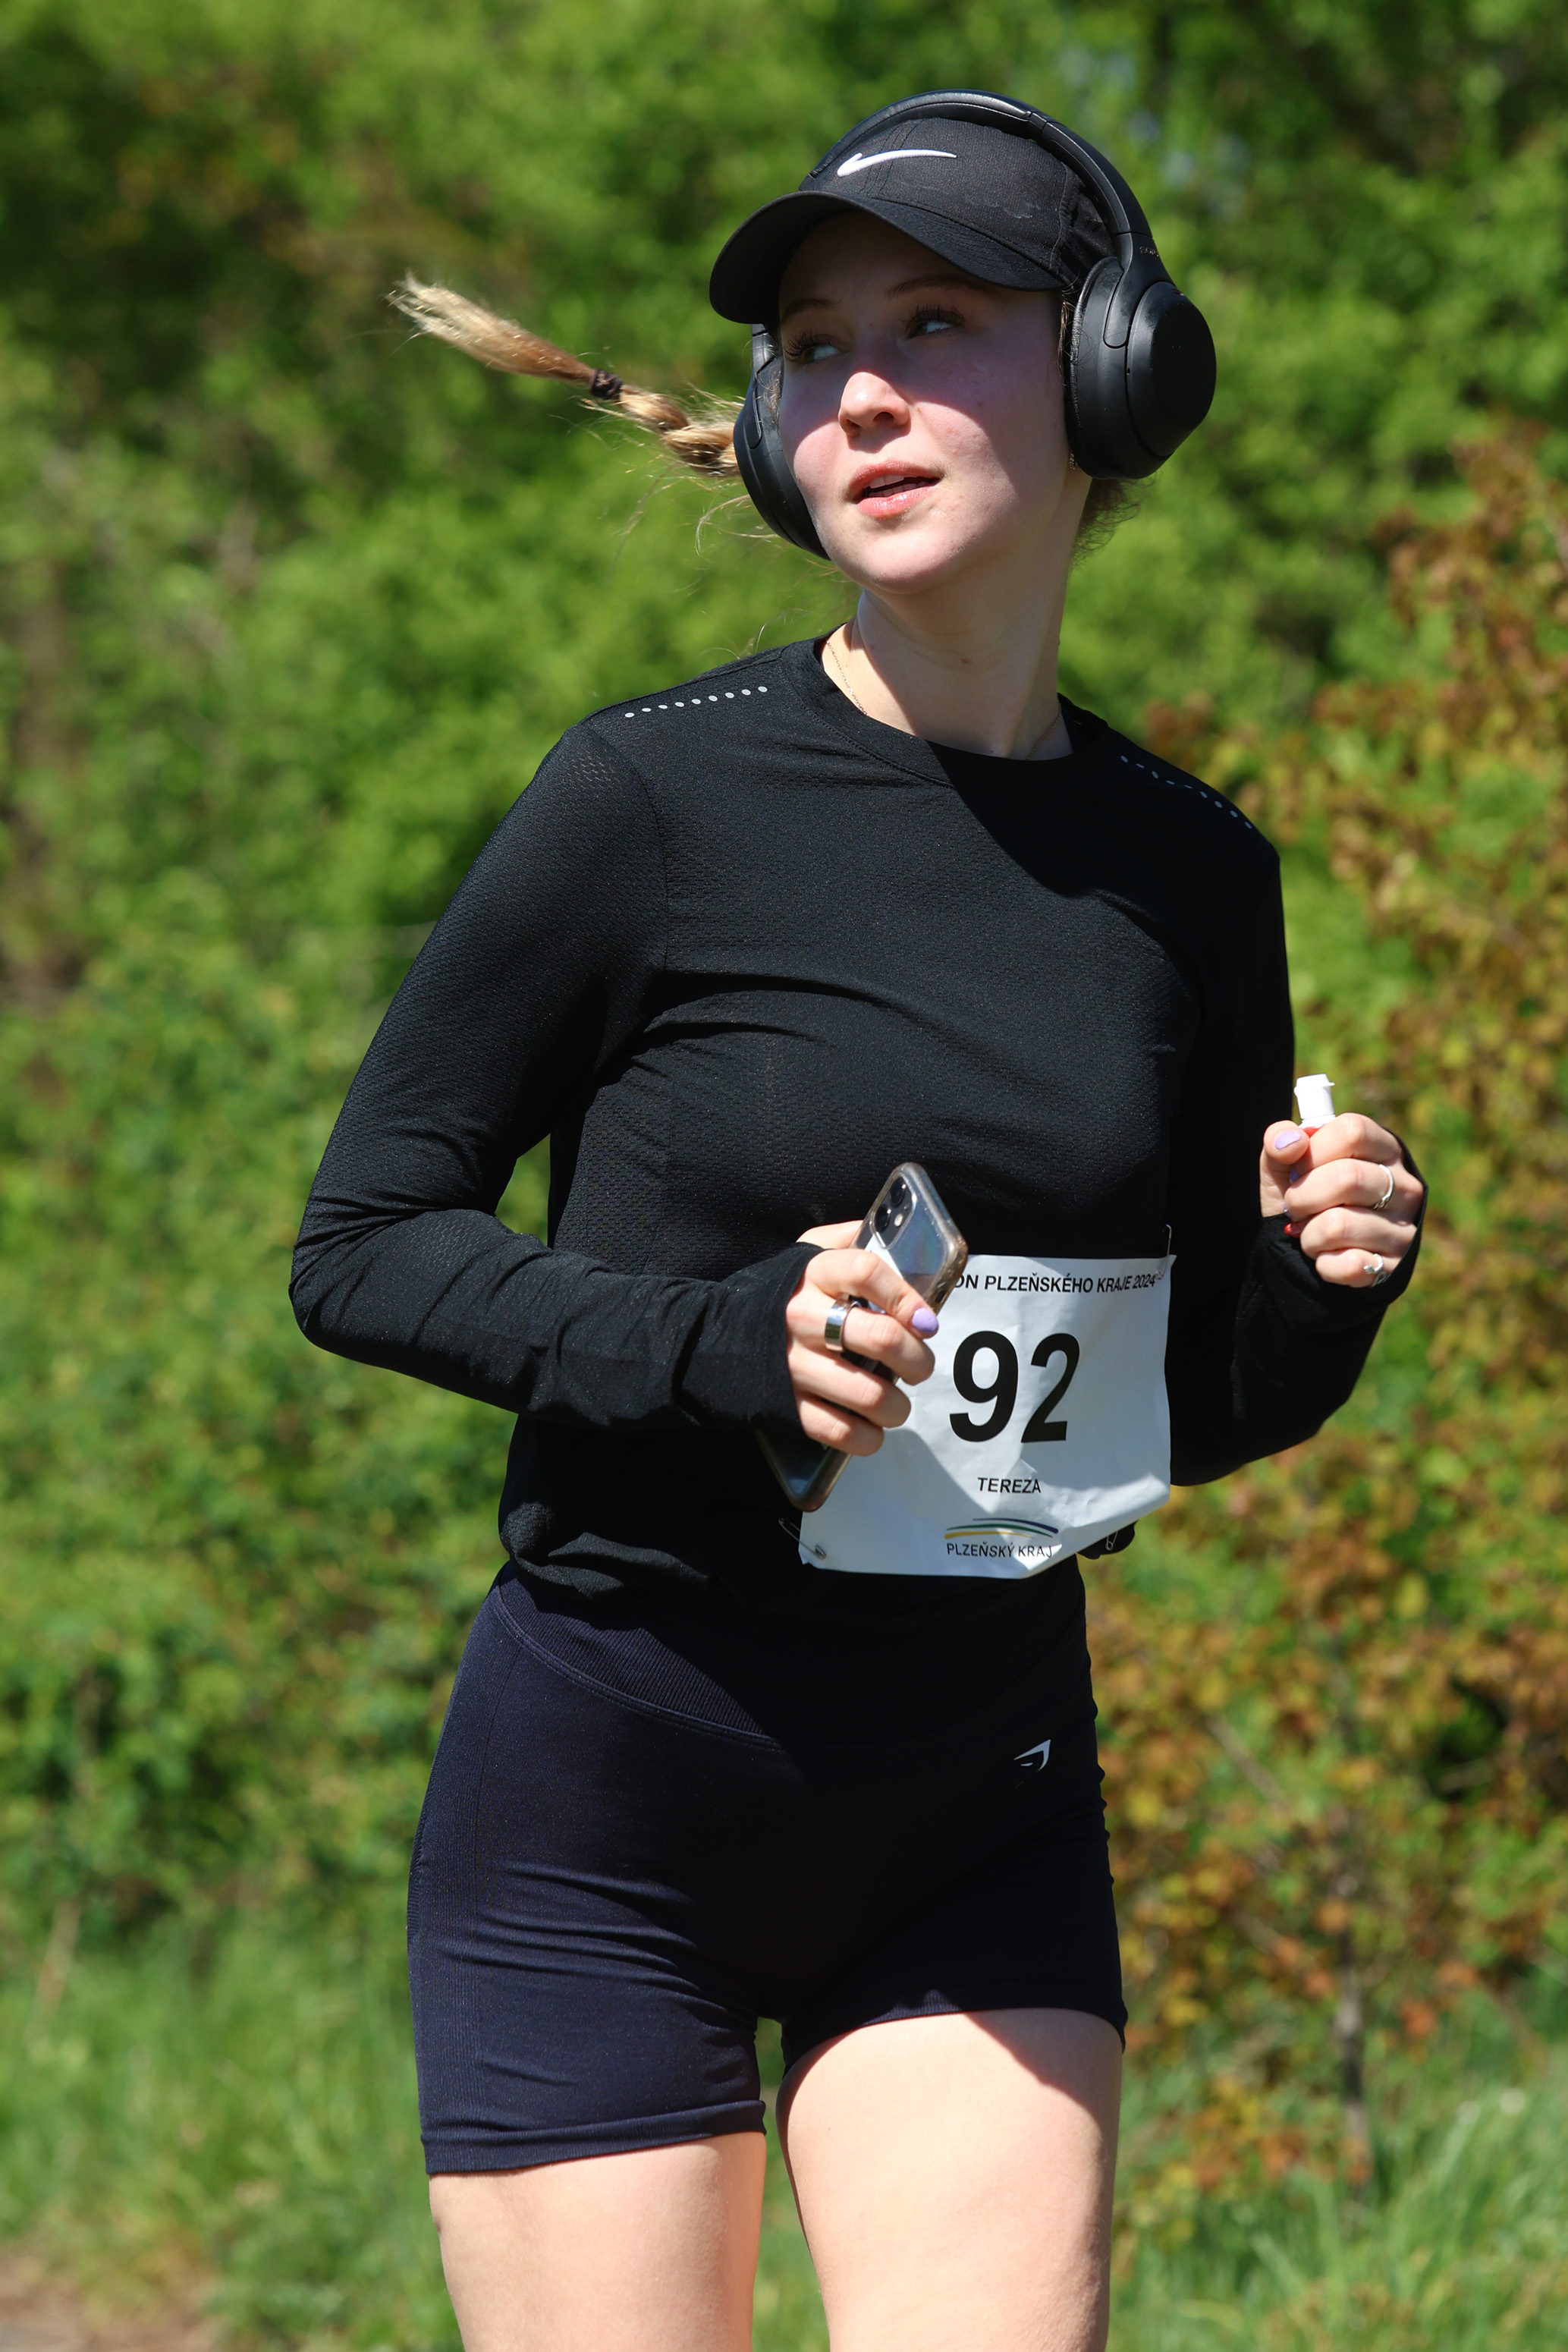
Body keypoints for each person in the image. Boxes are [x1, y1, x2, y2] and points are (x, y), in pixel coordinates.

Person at [293, 91, 1424, 2352]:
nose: (862, 391)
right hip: (612, 1799)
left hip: (975, 1808)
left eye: (933, 324)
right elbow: (364, 1238)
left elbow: (1167, 1410)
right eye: (814, 347)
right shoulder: (646, 797)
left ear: (1112, 373)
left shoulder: (1191, 871)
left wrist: (1316, 1289)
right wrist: (729, 1342)